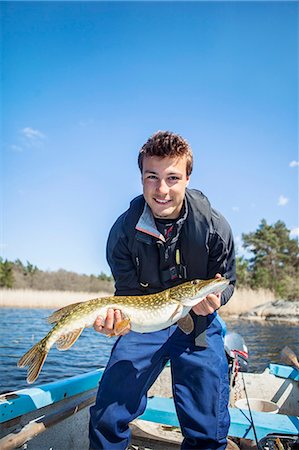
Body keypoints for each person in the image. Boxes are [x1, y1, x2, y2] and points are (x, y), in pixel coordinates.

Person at [89, 131, 236, 450]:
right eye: (151, 177)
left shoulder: (215, 227)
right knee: (107, 415)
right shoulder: (123, 233)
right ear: (141, 178)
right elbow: (126, 293)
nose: (162, 189)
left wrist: (215, 300)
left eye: (172, 177)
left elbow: (227, 282)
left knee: (207, 427)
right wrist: (116, 323)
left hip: (197, 323)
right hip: (144, 326)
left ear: (187, 178)